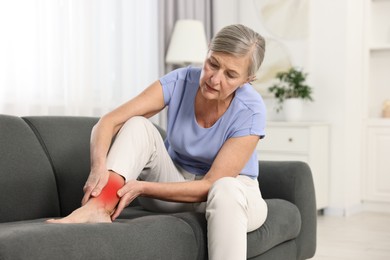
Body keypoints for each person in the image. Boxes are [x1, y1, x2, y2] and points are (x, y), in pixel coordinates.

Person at [47, 24, 268, 260]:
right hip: (173, 188)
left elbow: (210, 184)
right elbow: (108, 121)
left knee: (224, 188)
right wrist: (98, 167)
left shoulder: (251, 110)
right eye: (212, 63)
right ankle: (97, 207)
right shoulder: (181, 81)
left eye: (230, 74)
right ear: (207, 53)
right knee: (137, 124)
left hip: (232, 198)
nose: (215, 79)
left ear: (247, 79)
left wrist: (142, 187)